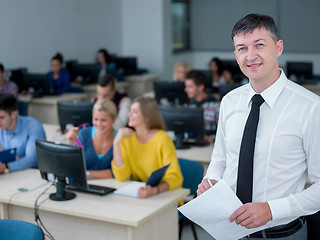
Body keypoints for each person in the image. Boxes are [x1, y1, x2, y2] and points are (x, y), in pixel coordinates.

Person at [197, 14, 320, 239]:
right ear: (235, 55)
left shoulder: (310, 108)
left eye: (259, 45)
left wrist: (271, 210)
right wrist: (212, 180)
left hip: (282, 234)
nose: (251, 56)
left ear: (279, 48)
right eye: (242, 48)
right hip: (229, 229)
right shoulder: (229, 101)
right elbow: (220, 159)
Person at [111, 97, 183, 199]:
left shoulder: (162, 138)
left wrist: (154, 191)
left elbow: (175, 177)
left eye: (135, 112)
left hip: (164, 195)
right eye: (130, 111)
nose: (129, 114)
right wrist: (116, 143)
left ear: (147, 116)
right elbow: (121, 177)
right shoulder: (127, 139)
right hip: (141, 195)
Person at [66, 100, 117, 179]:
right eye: (96, 119)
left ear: (113, 119)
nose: (99, 124)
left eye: (103, 120)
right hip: (84, 186)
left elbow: (117, 173)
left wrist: (87, 173)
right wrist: (70, 144)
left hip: (111, 186)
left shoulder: (120, 139)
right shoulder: (83, 135)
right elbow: (73, 167)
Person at [0, 94, 46, 173]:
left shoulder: (33, 126)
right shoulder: (2, 126)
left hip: (34, 175)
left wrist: (6, 166)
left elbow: (32, 159)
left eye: (1, 117)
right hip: (14, 174)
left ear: (14, 114)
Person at [184, 70, 220, 143]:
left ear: (200, 87)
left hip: (210, 146)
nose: (186, 90)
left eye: (190, 87)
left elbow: (224, 132)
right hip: (191, 143)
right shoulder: (187, 106)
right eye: (186, 86)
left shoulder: (216, 106)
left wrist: (212, 138)